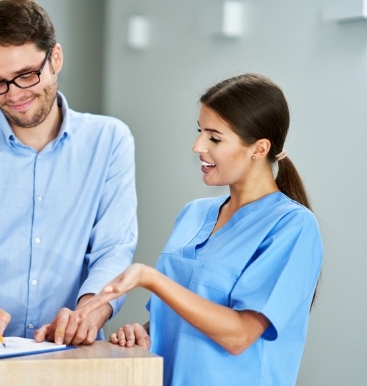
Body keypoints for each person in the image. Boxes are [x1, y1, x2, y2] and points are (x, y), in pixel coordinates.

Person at [0, 0, 137, 346]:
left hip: (70, 353)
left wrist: (90, 311)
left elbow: (113, 250)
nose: (14, 94)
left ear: (56, 58)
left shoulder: (109, 141)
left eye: (27, 75)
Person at [73, 73, 323, 386]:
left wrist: (151, 278)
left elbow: (239, 336)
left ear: (259, 149)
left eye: (214, 138)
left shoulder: (292, 227)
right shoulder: (194, 214)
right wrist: (143, 333)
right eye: (199, 132)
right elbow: (177, 320)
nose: (197, 146)